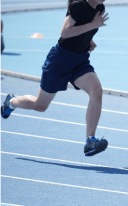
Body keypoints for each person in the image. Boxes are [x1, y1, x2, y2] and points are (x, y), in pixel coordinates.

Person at [0, 0, 110, 157]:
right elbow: (65, 32)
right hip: (59, 61)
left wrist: (88, 40)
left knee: (96, 90)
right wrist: (93, 25)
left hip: (80, 61)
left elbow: (82, 29)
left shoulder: (99, 8)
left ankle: (90, 140)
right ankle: (11, 102)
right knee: (40, 105)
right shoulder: (78, 6)